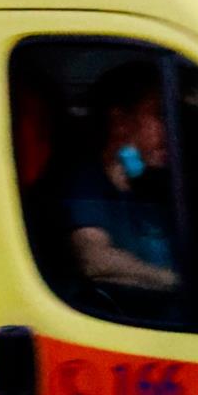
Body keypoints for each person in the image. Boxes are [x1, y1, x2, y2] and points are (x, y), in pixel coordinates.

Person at [61, 61, 178, 299]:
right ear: (120, 122)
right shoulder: (87, 184)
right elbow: (96, 261)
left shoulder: (156, 182)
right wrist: (175, 281)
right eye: (160, 114)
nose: (171, 129)